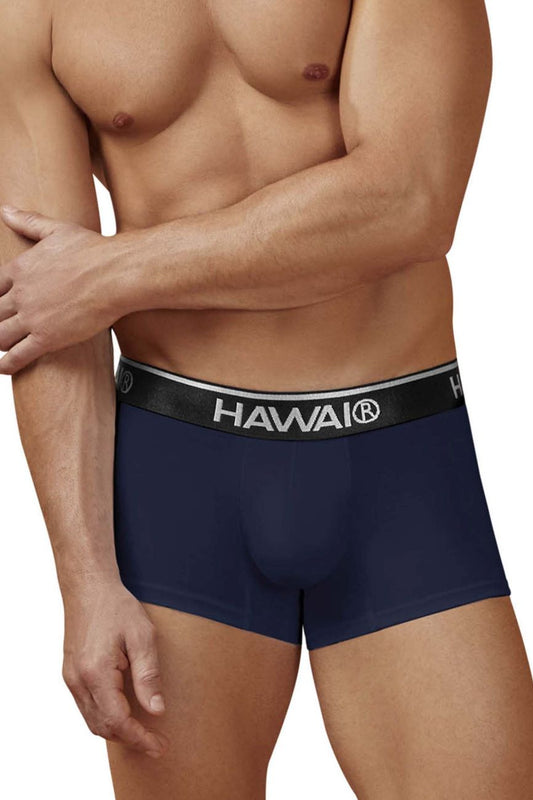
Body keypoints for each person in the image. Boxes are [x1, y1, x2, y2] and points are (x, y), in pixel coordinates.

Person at [1, 0, 532, 797]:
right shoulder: (28, 12)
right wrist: (84, 581)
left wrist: (111, 271)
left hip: (396, 462)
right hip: (178, 480)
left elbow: (410, 200)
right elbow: (43, 309)